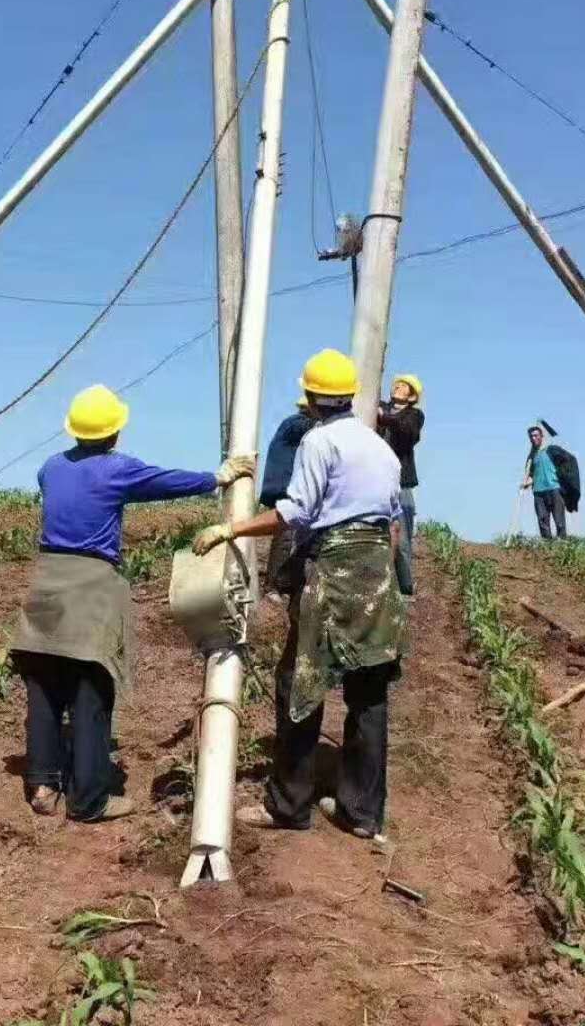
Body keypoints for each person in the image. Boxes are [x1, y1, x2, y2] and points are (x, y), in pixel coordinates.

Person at [12, 384, 254, 824]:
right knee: (91, 689)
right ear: (115, 432)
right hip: (91, 585)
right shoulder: (117, 470)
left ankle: (43, 784)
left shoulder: (50, 468)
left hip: (46, 581)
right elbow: (164, 481)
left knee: (44, 685)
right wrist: (216, 477)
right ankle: (90, 801)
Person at [193, 349, 406, 843]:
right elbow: (394, 528)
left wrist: (231, 529)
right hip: (377, 574)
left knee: (299, 683)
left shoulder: (318, 441)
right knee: (369, 693)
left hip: (334, 569)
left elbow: (294, 513)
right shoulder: (381, 448)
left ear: (311, 398)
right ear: (350, 395)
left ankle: (289, 805)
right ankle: (362, 813)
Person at [377, 373, 424, 595]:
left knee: (403, 535)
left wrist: (384, 418)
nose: (397, 386)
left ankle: (405, 587)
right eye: (396, 384)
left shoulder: (414, 415)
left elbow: (408, 432)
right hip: (374, 479)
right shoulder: (377, 407)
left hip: (400, 482)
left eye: (404, 386)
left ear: (412, 396)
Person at [259, 396, 312, 594]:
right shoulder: (296, 423)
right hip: (285, 486)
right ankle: (274, 585)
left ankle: (285, 581)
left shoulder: (295, 424)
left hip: (285, 485)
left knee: (293, 532)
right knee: (287, 532)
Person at [524, 424, 566, 540]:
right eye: (531, 436)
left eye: (536, 435)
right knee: (542, 520)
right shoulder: (532, 457)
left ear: (542, 436)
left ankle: (562, 544)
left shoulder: (551, 450)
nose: (533, 438)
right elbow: (532, 475)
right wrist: (526, 483)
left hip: (554, 488)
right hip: (538, 491)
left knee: (559, 520)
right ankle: (547, 546)